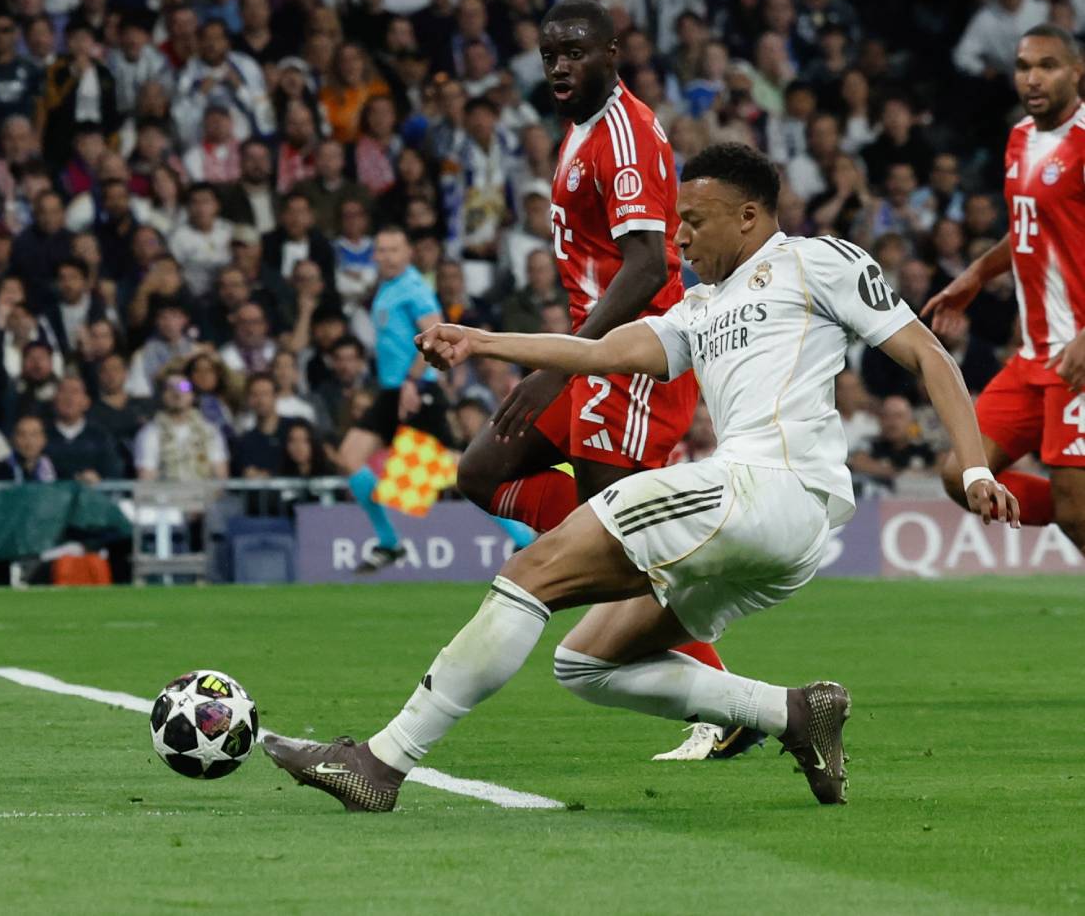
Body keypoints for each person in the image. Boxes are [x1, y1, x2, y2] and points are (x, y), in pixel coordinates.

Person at [262, 143, 1020, 811]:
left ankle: (381, 763)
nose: (680, 233)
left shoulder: (812, 260)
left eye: (695, 217)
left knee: (532, 571)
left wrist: (977, 463)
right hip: (781, 533)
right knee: (585, 662)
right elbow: (596, 354)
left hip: (766, 488)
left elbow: (928, 354)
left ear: (751, 216)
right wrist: (480, 339)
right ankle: (795, 714)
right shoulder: (699, 308)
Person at [447, 0, 743, 761]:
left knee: (615, 542)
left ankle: (723, 702)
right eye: (549, 52)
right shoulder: (583, 127)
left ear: (614, 52)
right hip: (593, 356)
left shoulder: (627, 135)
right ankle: (674, 582)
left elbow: (649, 266)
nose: (559, 65)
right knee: (483, 471)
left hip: (632, 360)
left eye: (575, 50)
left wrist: (554, 366)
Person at [923, 25, 1085, 553]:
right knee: (962, 474)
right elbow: (1029, 224)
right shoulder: (1020, 138)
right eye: (1023, 67)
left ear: (1076, 71)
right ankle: (1073, 509)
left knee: (1075, 509)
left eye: (1048, 65)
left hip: (1077, 357)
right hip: (1032, 357)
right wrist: (973, 276)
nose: (1032, 78)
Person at [338, 228, 450, 574]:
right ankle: (388, 543)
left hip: (416, 390)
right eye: (381, 250)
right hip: (391, 391)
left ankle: (522, 536)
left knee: (456, 472)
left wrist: (414, 381)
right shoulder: (387, 289)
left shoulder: (415, 289)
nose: (386, 256)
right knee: (349, 458)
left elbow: (436, 336)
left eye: (394, 250)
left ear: (408, 254)